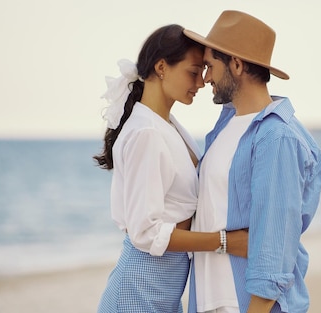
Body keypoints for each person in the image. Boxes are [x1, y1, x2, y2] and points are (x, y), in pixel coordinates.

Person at [93, 24, 248, 313]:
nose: (201, 82)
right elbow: (145, 232)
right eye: (193, 71)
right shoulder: (146, 133)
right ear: (161, 67)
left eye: (204, 70)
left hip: (163, 289)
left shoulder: (167, 126)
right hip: (138, 290)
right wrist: (226, 242)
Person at [183, 11, 321, 313]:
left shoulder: (277, 138)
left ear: (236, 64)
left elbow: (274, 252)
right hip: (212, 300)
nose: (205, 77)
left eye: (210, 66)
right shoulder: (226, 125)